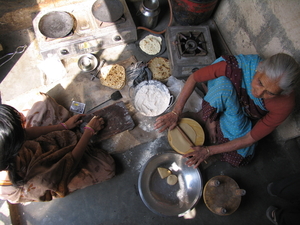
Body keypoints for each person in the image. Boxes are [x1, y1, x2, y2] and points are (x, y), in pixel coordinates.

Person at [155, 54, 300, 167]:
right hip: (223, 91)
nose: (259, 93)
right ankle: (210, 118)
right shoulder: (239, 67)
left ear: (283, 92)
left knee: (241, 156)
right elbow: (194, 77)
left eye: (271, 93)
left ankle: (215, 117)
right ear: (259, 68)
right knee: (222, 89)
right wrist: (176, 112)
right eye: (259, 82)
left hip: (240, 109)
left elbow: (249, 138)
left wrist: (208, 151)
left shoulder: (284, 104)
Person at [0, 92, 115, 203]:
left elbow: (27, 133)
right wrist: (89, 132)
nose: (22, 118)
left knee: (43, 102)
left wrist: (63, 126)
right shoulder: (36, 182)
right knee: (107, 168)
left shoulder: (8, 145)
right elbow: (69, 163)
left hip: (39, 148)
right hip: (55, 176)